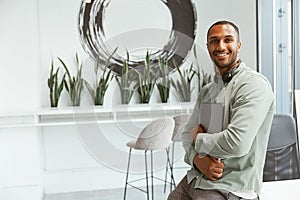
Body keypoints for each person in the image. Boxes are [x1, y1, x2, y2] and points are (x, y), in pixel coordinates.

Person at [168, 20, 275, 200]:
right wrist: (197, 159)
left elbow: (237, 142)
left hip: (231, 188)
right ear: (208, 46)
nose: (221, 46)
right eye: (214, 41)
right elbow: (186, 134)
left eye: (228, 40)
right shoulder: (208, 90)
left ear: (238, 45)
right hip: (197, 178)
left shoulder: (253, 85)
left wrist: (198, 139)